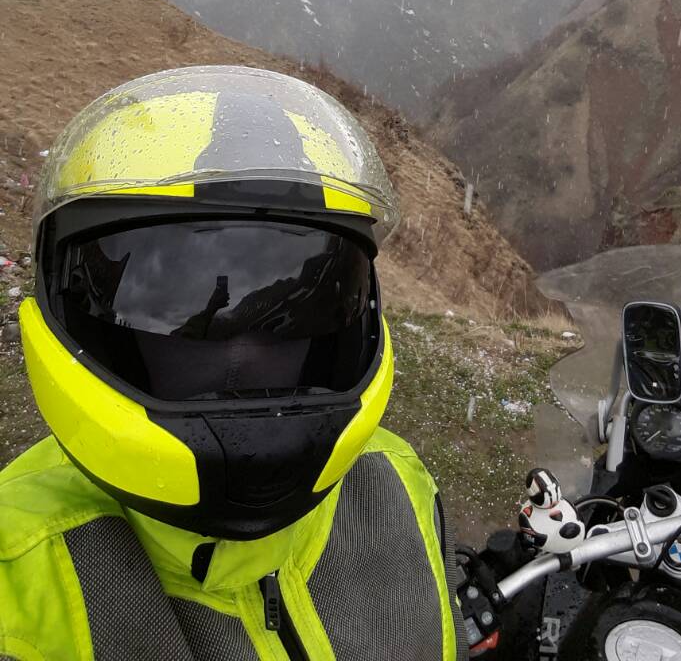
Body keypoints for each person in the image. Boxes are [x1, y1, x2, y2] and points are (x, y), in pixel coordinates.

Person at [0, 65, 468, 660]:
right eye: (175, 300)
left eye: (293, 314)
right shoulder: (18, 566)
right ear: (80, 319)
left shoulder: (396, 485)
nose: (241, 354)